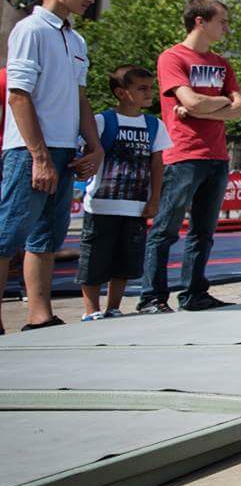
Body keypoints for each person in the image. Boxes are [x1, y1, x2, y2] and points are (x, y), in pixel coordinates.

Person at [1, 0, 101, 329]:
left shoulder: (76, 40)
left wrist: (94, 146)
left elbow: (80, 97)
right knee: (8, 232)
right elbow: (18, 95)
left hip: (64, 149)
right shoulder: (30, 30)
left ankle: (39, 314)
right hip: (28, 150)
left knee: (47, 235)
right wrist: (38, 156)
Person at [137, 0, 241, 315]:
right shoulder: (172, 58)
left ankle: (194, 292)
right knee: (166, 228)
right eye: (222, 21)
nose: (226, 27)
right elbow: (195, 102)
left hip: (217, 156)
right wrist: (217, 103)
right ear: (200, 21)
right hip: (183, 154)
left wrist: (201, 106)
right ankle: (152, 296)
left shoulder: (222, 64)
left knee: (204, 231)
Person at [78, 64, 166, 320]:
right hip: (101, 206)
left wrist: (155, 198)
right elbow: (86, 154)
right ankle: (91, 310)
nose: (149, 93)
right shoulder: (102, 121)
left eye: (150, 87)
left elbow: (157, 163)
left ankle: (113, 307)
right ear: (121, 92)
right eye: (141, 88)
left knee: (125, 261)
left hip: (135, 207)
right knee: (94, 258)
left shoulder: (153, 125)